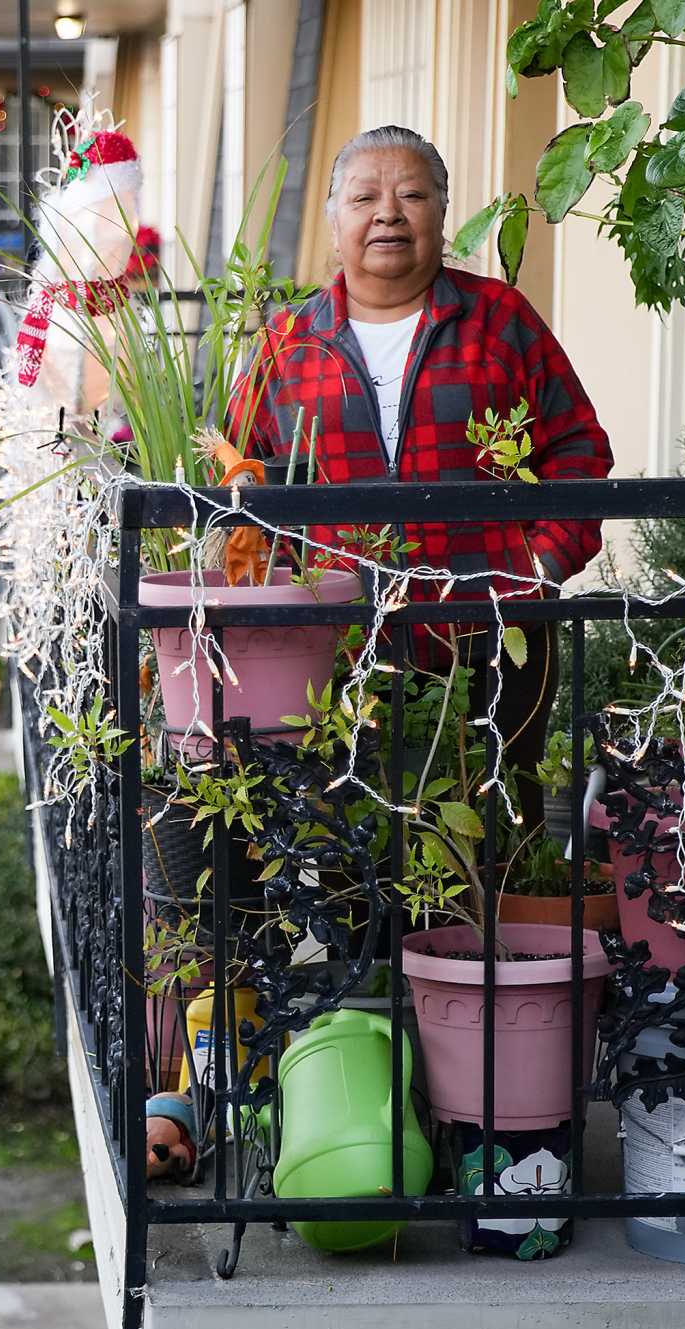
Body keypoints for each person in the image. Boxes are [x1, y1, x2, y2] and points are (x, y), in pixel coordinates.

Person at [232, 126, 613, 827]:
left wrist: (540, 565)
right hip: (337, 650)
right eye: (365, 197)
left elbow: (579, 447)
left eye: (412, 194)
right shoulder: (286, 343)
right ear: (334, 218)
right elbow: (242, 480)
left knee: (497, 831)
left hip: (494, 633)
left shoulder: (499, 321)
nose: (388, 213)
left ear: (441, 213)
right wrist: (281, 607)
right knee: (351, 844)